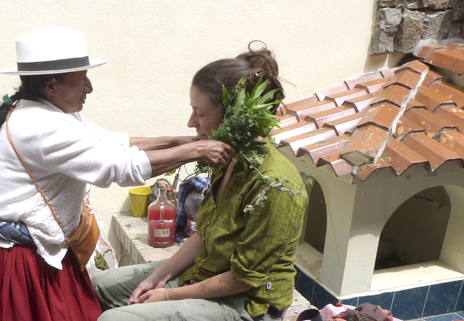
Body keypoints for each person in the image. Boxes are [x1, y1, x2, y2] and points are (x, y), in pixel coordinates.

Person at [0, 26, 234, 321]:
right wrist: (195, 152)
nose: (89, 87)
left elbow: (112, 143)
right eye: (81, 79)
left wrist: (184, 141)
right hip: (19, 260)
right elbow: (114, 167)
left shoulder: (51, 113)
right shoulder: (42, 127)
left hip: (40, 250)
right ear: (51, 86)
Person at [92, 42, 308, 321]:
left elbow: (243, 279)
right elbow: (204, 234)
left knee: (114, 319)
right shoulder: (227, 157)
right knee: (100, 287)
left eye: (200, 112)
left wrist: (167, 294)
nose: (191, 122)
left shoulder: (275, 184)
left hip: (245, 302)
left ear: (235, 114)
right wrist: (158, 277)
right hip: (206, 273)